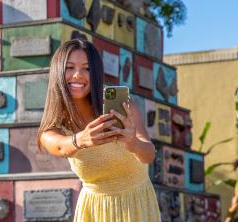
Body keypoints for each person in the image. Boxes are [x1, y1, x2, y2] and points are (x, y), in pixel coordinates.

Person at [37, 39, 161, 222]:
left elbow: (149, 155)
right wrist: (80, 139)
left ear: (96, 73)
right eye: (69, 67)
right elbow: (59, 147)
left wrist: (132, 142)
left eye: (87, 69)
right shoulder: (56, 125)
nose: (78, 75)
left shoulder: (122, 108)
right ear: (57, 72)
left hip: (137, 205)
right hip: (95, 211)